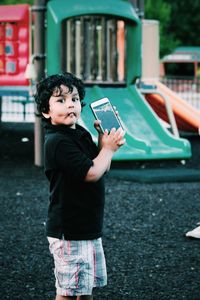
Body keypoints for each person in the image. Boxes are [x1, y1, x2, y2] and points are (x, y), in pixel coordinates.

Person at [34, 72, 125, 300]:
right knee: (67, 292)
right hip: (69, 231)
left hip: (86, 227)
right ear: (46, 111)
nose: (70, 105)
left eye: (74, 99)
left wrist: (103, 143)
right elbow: (91, 173)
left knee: (84, 289)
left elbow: (101, 166)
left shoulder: (78, 133)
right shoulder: (57, 142)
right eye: (60, 100)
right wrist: (108, 150)